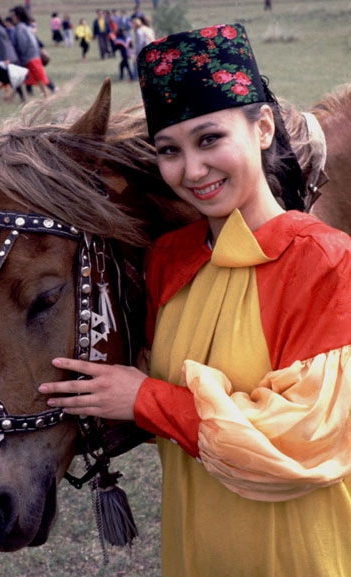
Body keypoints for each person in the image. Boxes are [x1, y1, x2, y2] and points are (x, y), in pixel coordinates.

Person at [38, 24, 351, 577]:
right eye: (169, 151)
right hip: (195, 551)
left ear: (262, 127)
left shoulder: (325, 261)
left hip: (299, 553)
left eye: (209, 139)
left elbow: (300, 442)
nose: (192, 170)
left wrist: (146, 399)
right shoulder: (167, 260)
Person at [10, 5, 48, 98]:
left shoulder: (19, 28)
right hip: (33, 55)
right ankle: (11, 96)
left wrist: (20, 56)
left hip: (29, 56)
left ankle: (47, 96)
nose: (12, 17)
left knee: (37, 78)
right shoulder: (26, 26)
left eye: (13, 15)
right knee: (25, 76)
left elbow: (22, 44)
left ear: (18, 16)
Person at [0, 13, 25, 102]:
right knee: (9, 78)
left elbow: (3, 45)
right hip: (8, 57)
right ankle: (22, 97)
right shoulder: (0, 29)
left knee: (1, 78)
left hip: (6, 58)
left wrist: (6, 59)